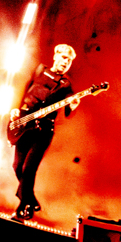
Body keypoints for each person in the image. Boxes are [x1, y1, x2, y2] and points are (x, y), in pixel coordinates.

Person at [10, 43, 79, 220]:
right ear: (55, 56)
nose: (65, 62)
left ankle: (24, 209)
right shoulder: (40, 70)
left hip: (44, 131)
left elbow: (69, 111)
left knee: (28, 169)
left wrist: (73, 106)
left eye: (69, 61)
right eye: (64, 58)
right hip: (24, 124)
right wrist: (15, 108)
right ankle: (31, 198)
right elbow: (24, 89)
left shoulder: (66, 85)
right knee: (17, 167)